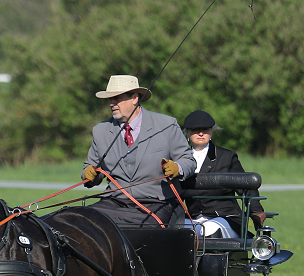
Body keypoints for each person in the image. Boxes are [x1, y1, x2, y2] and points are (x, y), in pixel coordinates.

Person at [82, 75, 196, 226]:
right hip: (114, 203)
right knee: (80, 221)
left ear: (135, 98)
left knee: (139, 231)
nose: (111, 103)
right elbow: (90, 167)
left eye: (117, 98)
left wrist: (178, 168)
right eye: (110, 99)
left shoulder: (167, 124)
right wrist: (88, 174)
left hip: (156, 204)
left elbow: (188, 160)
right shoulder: (100, 130)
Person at [180, 109, 266, 238]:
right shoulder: (179, 160)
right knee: (173, 231)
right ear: (187, 132)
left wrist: (256, 210)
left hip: (226, 218)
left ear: (212, 131)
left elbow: (245, 187)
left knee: (209, 229)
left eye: (206, 130)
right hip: (194, 218)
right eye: (195, 130)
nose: (201, 133)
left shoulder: (227, 157)